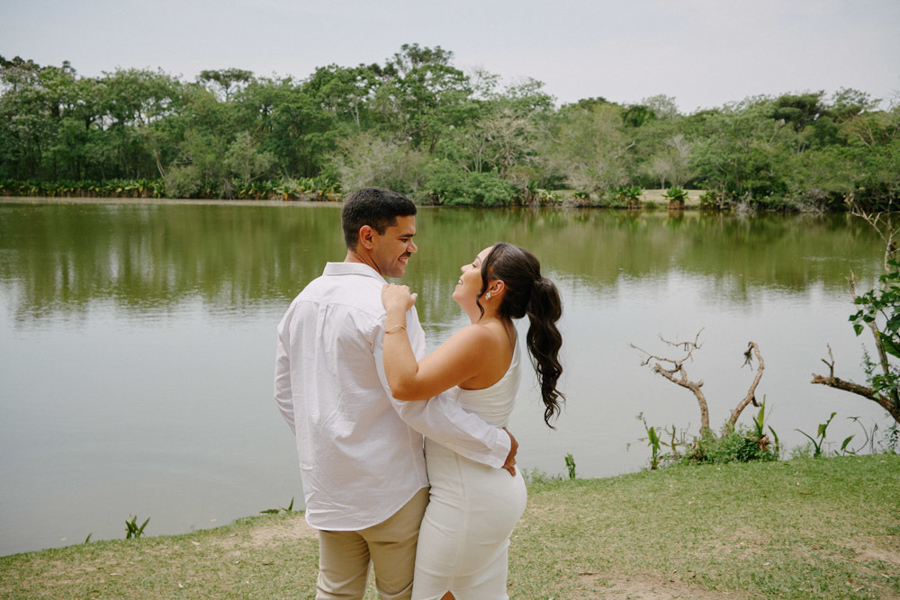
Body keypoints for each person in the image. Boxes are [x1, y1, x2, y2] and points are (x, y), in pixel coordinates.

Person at [274, 187, 517, 600]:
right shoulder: (389, 308)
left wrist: (331, 444)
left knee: (333, 592)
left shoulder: (303, 301)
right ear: (368, 236)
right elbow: (416, 402)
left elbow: (286, 395)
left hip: (330, 485)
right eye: (404, 238)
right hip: (392, 489)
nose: (414, 248)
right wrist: (496, 443)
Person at [381, 242, 564, 600]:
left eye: (475, 263)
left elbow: (405, 385)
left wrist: (395, 311)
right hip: (484, 492)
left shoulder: (481, 336)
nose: (464, 267)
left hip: (467, 502)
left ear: (494, 288)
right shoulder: (500, 330)